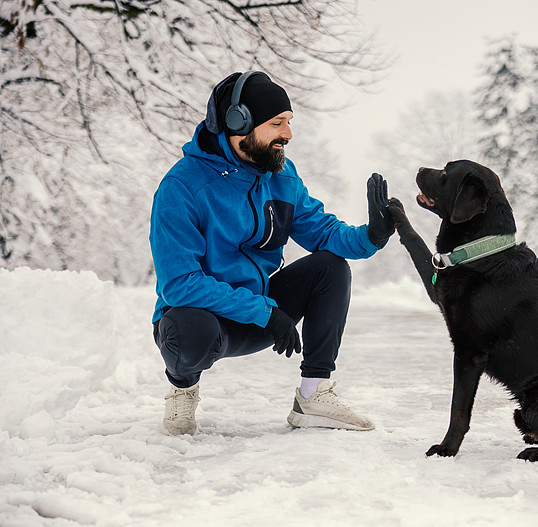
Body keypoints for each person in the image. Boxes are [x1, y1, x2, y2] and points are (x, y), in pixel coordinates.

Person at [149, 71, 394, 436]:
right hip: (203, 320)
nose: (288, 135)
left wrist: (370, 236)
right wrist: (264, 312)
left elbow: (322, 232)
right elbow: (180, 284)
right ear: (238, 122)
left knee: (330, 267)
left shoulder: (281, 176)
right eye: (277, 123)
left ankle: (313, 395)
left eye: (289, 123)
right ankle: (182, 389)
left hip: (261, 314)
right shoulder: (183, 186)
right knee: (188, 330)